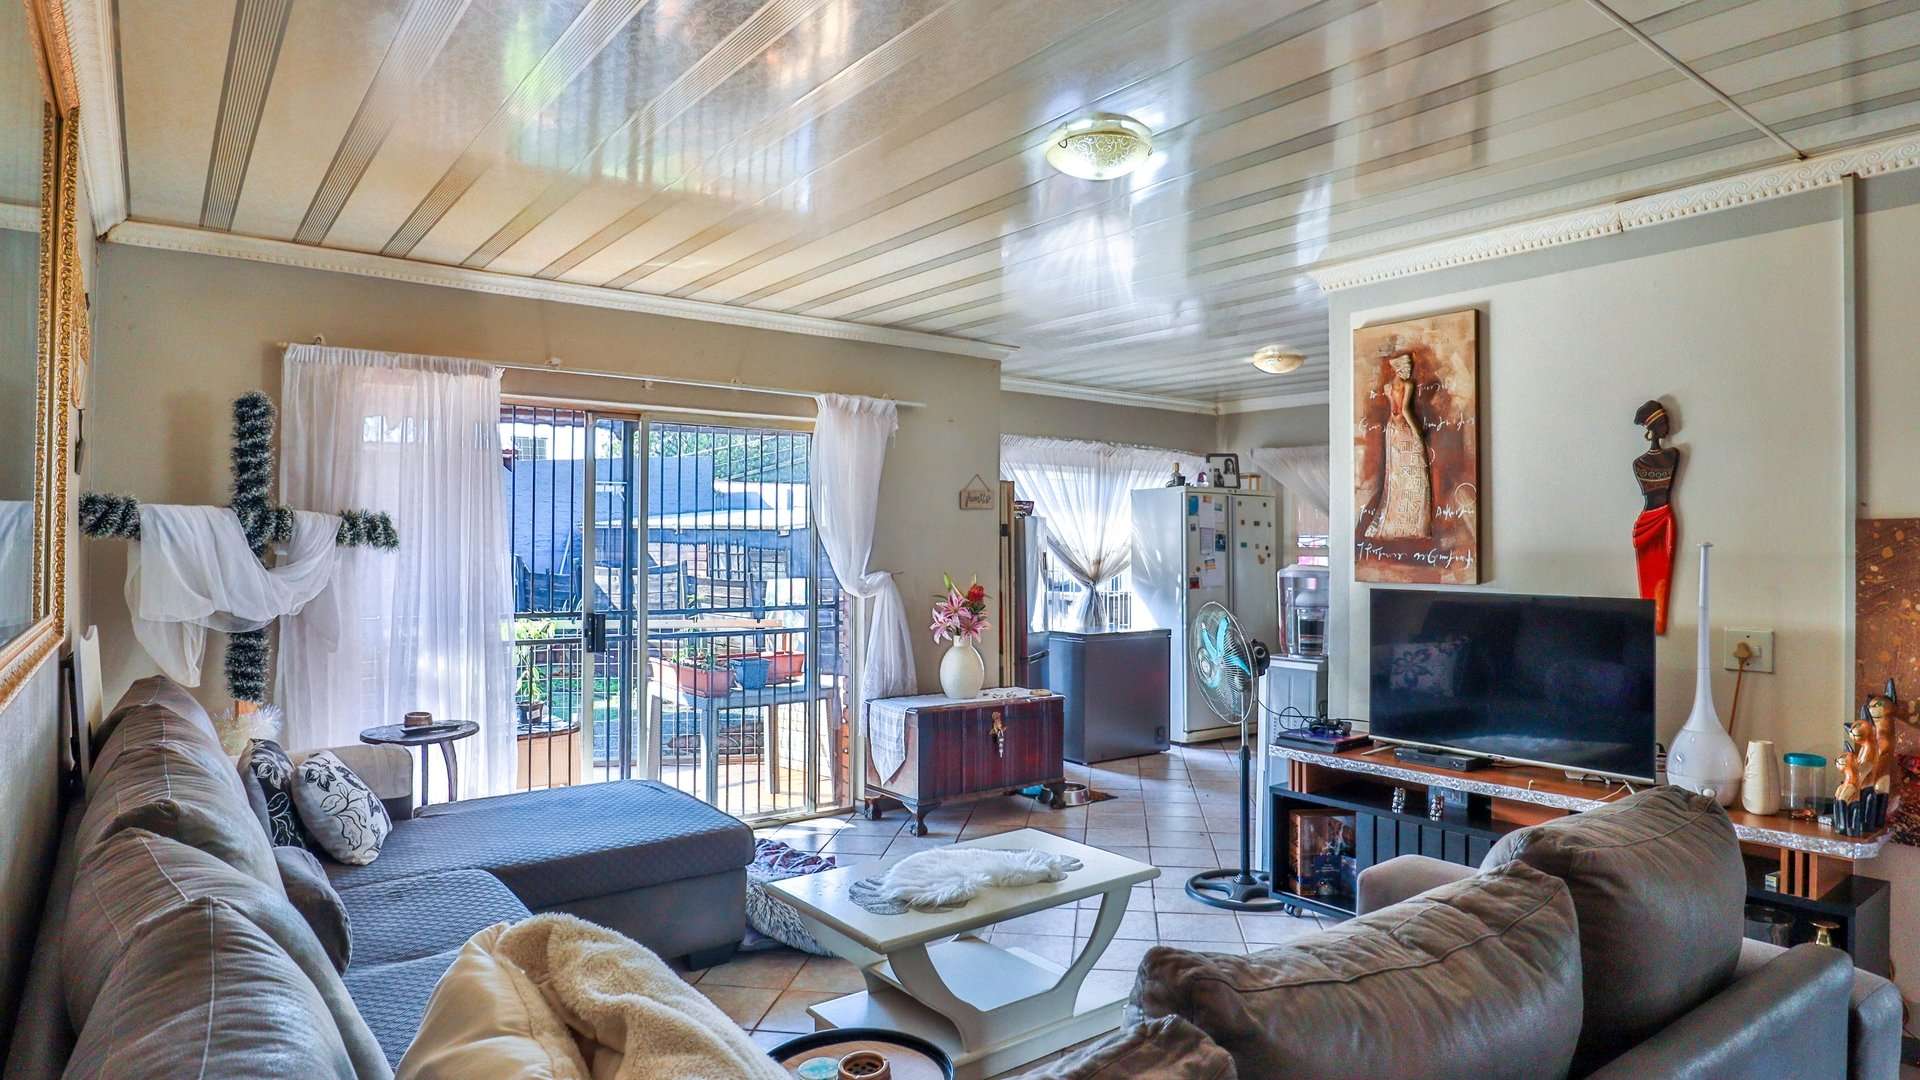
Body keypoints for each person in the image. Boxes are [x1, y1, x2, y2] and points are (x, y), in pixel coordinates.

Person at [1366, 349, 1431, 540]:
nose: (1409, 371)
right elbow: (1405, 410)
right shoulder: (1407, 385)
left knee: (1395, 474)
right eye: (1406, 367)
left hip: (1392, 429)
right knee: (1415, 471)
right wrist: (1418, 433)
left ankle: (1395, 522)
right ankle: (1412, 525)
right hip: (1404, 428)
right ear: (1399, 368)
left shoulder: (1388, 387)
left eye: (1410, 367)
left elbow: (1393, 411)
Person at [1631, 400, 1680, 634]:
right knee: (1647, 579)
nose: (1667, 427)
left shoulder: (1673, 456)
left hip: (1664, 519)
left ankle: (1658, 625)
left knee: (1662, 579)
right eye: (1663, 423)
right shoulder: (1639, 464)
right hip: (1645, 522)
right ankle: (1650, 627)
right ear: (1652, 427)